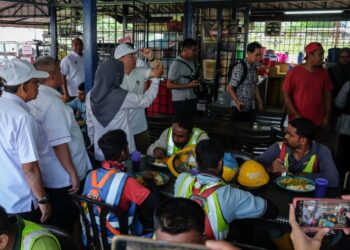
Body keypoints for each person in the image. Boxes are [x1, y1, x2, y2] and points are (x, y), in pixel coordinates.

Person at [28, 56, 92, 232]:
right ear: (51, 76)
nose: (62, 74)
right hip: (63, 177)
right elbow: (58, 143)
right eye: (59, 71)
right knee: (68, 220)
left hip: (48, 171)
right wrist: (72, 173)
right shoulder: (52, 103)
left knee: (58, 221)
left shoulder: (34, 99)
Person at [175, 139, 277, 240]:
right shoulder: (232, 196)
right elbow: (271, 210)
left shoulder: (182, 179)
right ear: (220, 163)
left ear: (197, 162)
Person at [82, 129, 159, 243]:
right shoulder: (127, 181)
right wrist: (150, 180)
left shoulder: (91, 175)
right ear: (123, 152)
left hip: (92, 238)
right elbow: (155, 203)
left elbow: (108, 183)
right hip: (117, 240)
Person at [0, 58, 51, 223]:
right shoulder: (22, 118)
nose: (38, 87)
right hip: (21, 201)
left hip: (4, 198)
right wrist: (42, 200)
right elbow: (30, 168)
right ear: (23, 87)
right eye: (35, 82)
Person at [86, 58, 161, 161]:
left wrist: (93, 142)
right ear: (116, 76)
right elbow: (146, 100)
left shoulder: (90, 95)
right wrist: (156, 80)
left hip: (101, 151)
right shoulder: (121, 96)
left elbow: (90, 123)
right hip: (123, 153)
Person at [255, 118, 339, 187]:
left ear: (302, 140)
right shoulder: (278, 148)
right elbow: (253, 165)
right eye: (286, 132)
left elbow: (334, 180)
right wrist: (269, 168)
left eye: (290, 135)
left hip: (308, 197)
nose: (285, 136)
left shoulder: (321, 151)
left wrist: (304, 176)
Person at [114, 43, 163, 154]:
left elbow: (159, 72)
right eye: (131, 56)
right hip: (122, 131)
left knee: (144, 161)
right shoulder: (114, 79)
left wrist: (152, 58)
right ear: (122, 59)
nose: (136, 58)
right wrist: (155, 81)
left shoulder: (139, 71)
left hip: (140, 127)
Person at [282, 42, 333, 128]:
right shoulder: (294, 72)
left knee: (314, 141)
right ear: (310, 55)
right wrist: (296, 114)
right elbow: (286, 94)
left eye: (323, 54)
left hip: (318, 120)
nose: (322, 57)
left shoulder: (324, 73)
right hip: (298, 120)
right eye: (320, 54)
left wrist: (327, 116)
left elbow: (328, 96)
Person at [227, 41, 264, 122]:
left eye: (259, 55)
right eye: (256, 55)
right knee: (237, 131)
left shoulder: (254, 66)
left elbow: (255, 84)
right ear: (248, 53)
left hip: (249, 108)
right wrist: (237, 102)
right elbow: (229, 88)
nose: (258, 58)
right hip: (238, 108)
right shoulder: (240, 67)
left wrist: (260, 101)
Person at [167, 38, 201, 117]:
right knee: (183, 125)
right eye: (194, 50)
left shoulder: (191, 61)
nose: (196, 53)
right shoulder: (176, 64)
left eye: (196, 50)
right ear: (185, 49)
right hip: (181, 100)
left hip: (191, 98)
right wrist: (188, 85)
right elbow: (169, 85)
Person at [334, 80, 350, 183]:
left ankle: (341, 183)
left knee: (344, 156)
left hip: (347, 125)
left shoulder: (349, 84)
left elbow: (339, 102)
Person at [60, 37, 84, 102]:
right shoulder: (67, 59)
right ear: (72, 46)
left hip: (85, 92)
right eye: (76, 45)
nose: (79, 47)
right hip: (73, 93)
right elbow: (62, 77)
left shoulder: (86, 57)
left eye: (80, 44)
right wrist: (66, 93)